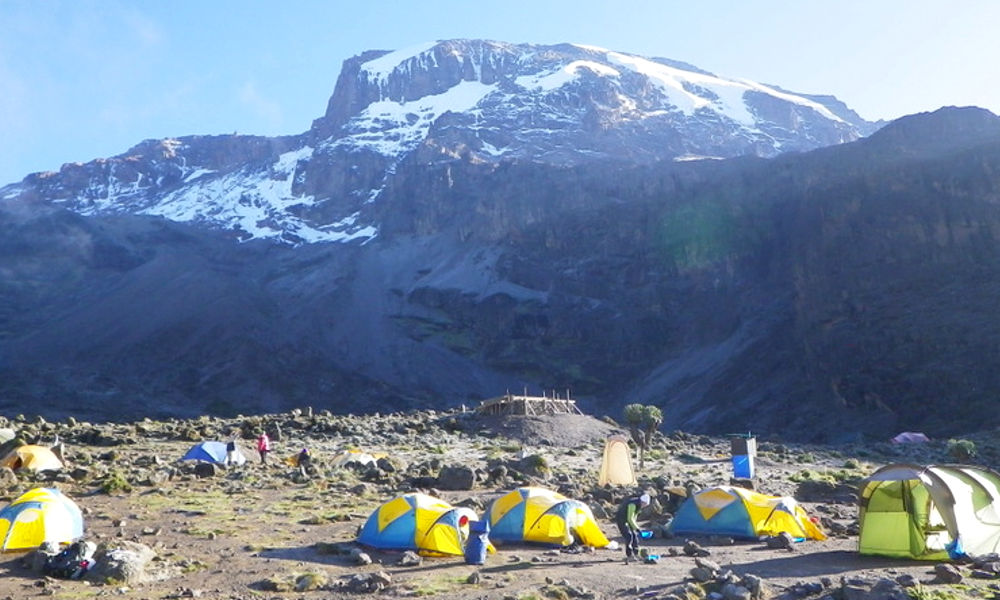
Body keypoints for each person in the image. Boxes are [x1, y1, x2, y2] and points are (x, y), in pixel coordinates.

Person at [615, 492, 650, 564]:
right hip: (621, 520)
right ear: (642, 502)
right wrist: (637, 528)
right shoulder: (632, 504)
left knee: (634, 535)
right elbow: (630, 518)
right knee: (629, 536)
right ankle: (629, 555)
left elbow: (634, 517)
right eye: (645, 504)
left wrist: (636, 528)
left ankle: (636, 554)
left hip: (627, 521)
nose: (644, 506)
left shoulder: (639, 505)